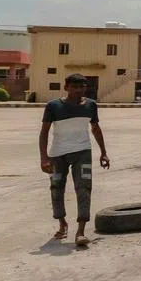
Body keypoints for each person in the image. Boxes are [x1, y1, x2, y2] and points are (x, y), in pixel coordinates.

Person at [39, 73, 110, 246]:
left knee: (84, 188)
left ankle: (81, 231)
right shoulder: (53, 106)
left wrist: (103, 152)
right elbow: (44, 132)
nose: (78, 90)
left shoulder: (91, 105)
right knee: (56, 188)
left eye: (81, 87)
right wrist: (44, 157)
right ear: (67, 87)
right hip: (57, 155)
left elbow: (95, 128)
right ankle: (62, 223)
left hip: (82, 153)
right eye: (75, 87)